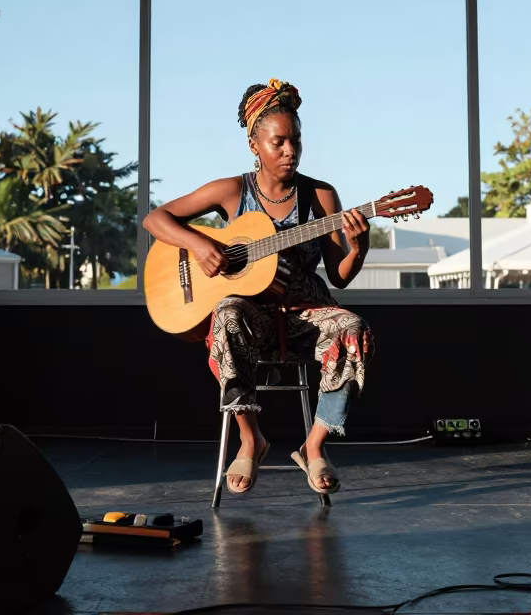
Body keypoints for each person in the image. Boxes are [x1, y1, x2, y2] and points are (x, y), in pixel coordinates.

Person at [142, 78, 376, 496]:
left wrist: (357, 246)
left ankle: (314, 446)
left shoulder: (320, 195)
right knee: (227, 313)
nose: (290, 151)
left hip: (306, 315)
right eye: (279, 142)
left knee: (353, 328)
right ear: (255, 145)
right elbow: (156, 219)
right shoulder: (233, 191)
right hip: (252, 318)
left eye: (296, 141)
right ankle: (251, 439)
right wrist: (199, 243)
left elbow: (339, 275)